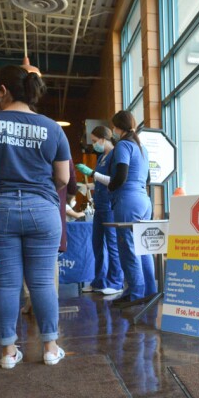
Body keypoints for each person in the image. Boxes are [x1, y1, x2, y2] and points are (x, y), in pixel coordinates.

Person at [0, 65, 70, 369]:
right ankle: (51, 348)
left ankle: (8, 353)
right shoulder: (53, 127)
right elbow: (63, 177)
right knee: (42, 283)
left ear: (2, 90)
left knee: (7, 284)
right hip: (44, 210)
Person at [78, 111, 155, 302]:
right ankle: (150, 290)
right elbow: (148, 178)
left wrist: (111, 189)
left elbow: (120, 176)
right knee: (144, 247)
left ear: (118, 127)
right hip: (144, 201)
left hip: (127, 201)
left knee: (127, 247)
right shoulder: (142, 148)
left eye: (114, 126)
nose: (113, 130)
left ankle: (135, 293)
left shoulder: (123, 146)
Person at [75, 125, 124, 295]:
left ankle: (116, 282)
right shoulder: (102, 157)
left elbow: (113, 180)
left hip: (109, 205)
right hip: (100, 205)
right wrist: (87, 185)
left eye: (96, 141)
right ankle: (99, 281)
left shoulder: (115, 155)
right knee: (97, 244)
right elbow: (99, 181)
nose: (94, 144)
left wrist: (92, 173)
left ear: (104, 139)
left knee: (112, 245)